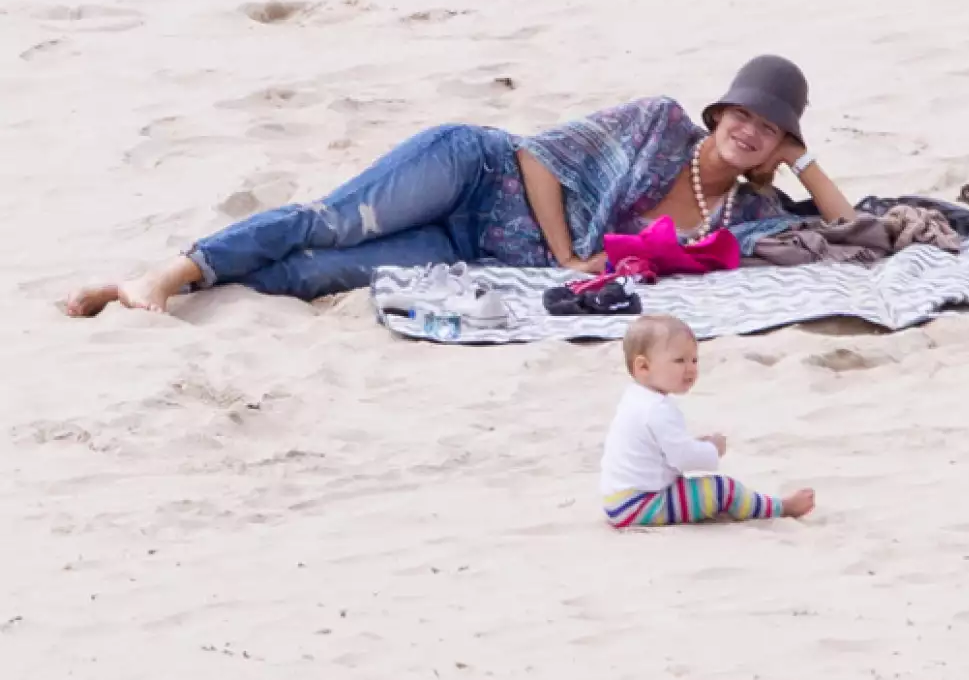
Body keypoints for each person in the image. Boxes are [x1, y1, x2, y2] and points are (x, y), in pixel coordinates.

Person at [65, 54, 856, 317]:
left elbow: (850, 228)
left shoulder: (745, 212)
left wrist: (803, 163)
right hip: (475, 171)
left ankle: (194, 291)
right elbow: (540, 159)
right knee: (334, 223)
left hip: (469, 252)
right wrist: (567, 256)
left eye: (770, 126)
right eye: (744, 112)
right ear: (721, 111)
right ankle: (166, 272)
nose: (749, 129)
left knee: (314, 277)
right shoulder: (658, 123)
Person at [599, 314, 815, 528]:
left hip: (617, 501)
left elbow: (658, 449)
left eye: (694, 360)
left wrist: (695, 444)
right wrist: (712, 449)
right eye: (679, 360)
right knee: (723, 489)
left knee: (697, 489)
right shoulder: (656, 409)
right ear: (643, 367)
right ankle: (780, 508)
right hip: (640, 505)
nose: (691, 368)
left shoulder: (635, 398)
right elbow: (683, 458)